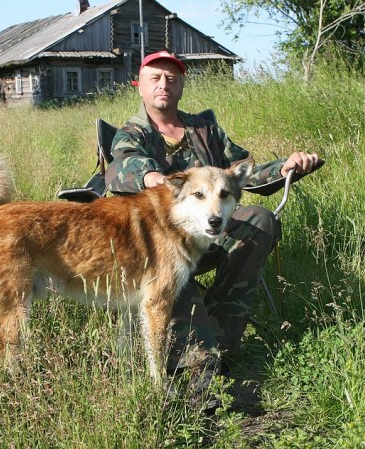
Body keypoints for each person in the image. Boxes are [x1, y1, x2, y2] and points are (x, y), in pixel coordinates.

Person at [104, 51, 321, 406]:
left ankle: (220, 336)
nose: (164, 84)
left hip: (211, 231)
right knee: (170, 272)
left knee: (260, 220)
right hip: (165, 244)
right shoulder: (132, 133)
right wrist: (153, 177)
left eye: (172, 78)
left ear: (182, 86)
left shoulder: (205, 129)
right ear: (139, 86)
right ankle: (199, 374)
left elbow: (241, 170)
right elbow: (121, 170)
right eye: (155, 78)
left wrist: (286, 167)